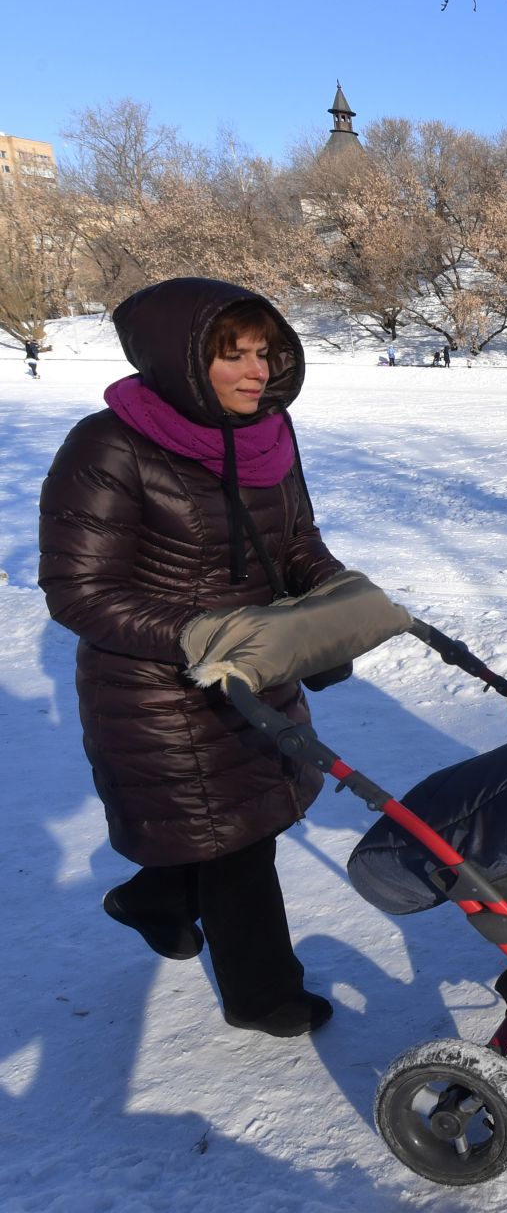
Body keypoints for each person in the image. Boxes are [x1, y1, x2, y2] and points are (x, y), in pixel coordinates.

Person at [38, 278, 404, 1036]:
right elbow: (78, 590)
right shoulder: (108, 447)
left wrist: (339, 592)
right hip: (157, 684)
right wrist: (201, 635)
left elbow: (295, 540)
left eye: (264, 351)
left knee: (235, 817)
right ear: (177, 360)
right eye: (229, 355)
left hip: (257, 667)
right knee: (237, 838)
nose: (256, 371)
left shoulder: (269, 433)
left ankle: (154, 898)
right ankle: (264, 997)